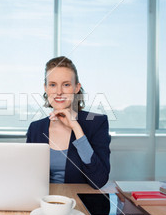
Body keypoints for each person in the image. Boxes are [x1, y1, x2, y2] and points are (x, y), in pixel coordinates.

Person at [26, 56, 111, 188]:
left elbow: (99, 180)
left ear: (77, 88)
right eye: (53, 85)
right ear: (46, 88)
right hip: (43, 201)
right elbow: (28, 176)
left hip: (79, 202)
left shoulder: (97, 123)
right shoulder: (35, 128)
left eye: (66, 85)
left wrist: (76, 128)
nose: (59, 92)